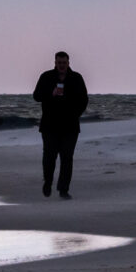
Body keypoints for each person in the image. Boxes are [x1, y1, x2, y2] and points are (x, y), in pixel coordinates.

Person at [32, 51, 88, 199]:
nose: (62, 65)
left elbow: (84, 100)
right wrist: (50, 93)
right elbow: (36, 96)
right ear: (55, 63)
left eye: (64, 63)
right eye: (59, 63)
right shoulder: (46, 77)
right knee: (49, 157)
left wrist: (75, 114)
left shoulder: (76, 78)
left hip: (70, 126)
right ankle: (48, 182)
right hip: (50, 124)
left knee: (67, 158)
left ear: (68, 63)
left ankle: (63, 190)